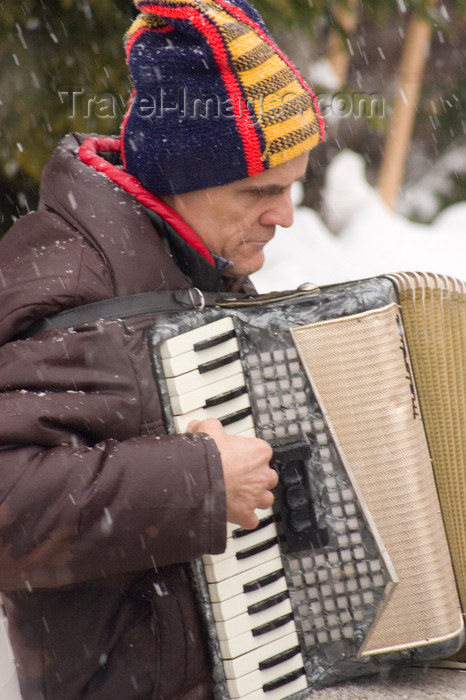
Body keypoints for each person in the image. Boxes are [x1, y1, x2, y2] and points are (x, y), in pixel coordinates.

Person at [0, 0, 324, 697]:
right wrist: (199, 483)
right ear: (182, 178)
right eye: (259, 192)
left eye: (292, 187)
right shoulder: (74, 282)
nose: (285, 216)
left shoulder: (190, 257)